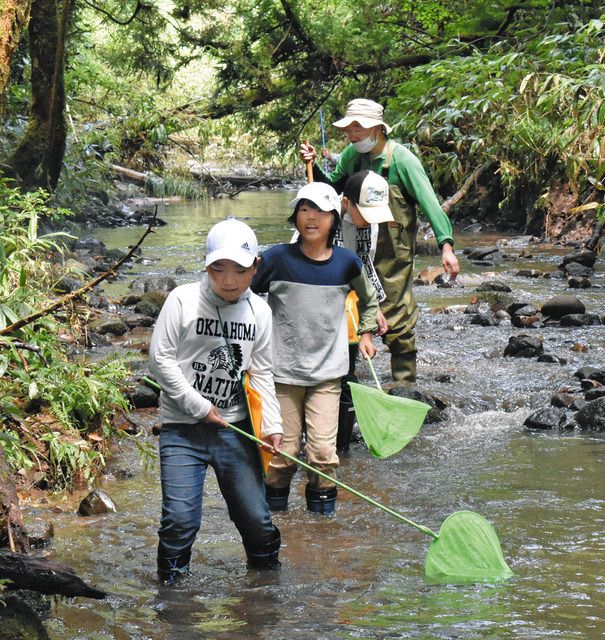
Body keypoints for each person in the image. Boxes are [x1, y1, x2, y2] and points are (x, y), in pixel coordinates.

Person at [148, 217, 284, 584]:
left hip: (235, 428)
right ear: (206, 266)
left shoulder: (260, 312)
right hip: (182, 428)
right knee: (179, 519)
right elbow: (159, 358)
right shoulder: (182, 300)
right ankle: (173, 593)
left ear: (256, 268)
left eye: (240, 269)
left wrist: (271, 425)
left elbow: (262, 373)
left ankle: (267, 587)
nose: (229, 280)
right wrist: (198, 406)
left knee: (256, 519)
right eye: (218, 268)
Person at [300, 98, 460, 384]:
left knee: (397, 317)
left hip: (392, 253)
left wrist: (445, 245)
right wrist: (311, 166)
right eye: (348, 129)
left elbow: (429, 202)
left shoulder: (402, 160)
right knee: (349, 309)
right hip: (355, 248)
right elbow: (330, 188)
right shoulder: (352, 154)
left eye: (358, 128)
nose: (352, 135)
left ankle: (404, 383)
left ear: (378, 128)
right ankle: (344, 380)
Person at [251, 181, 379, 515]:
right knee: (282, 453)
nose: (311, 217)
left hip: (327, 374)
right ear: (294, 216)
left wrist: (366, 335)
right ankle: (272, 522)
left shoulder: (347, 264)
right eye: (304, 209)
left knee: (323, 455)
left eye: (320, 210)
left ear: (334, 219)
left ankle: (321, 530)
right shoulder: (277, 259)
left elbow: (369, 301)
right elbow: (244, 296)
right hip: (281, 372)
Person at [334, 170, 393, 451]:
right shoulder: (324, 216)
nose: (369, 220)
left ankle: (340, 447)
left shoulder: (369, 223)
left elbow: (363, 266)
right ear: (346, 203)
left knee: (347, 368)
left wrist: (375, 308)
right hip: (320, 296)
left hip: (350, 299)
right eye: (364, 212)